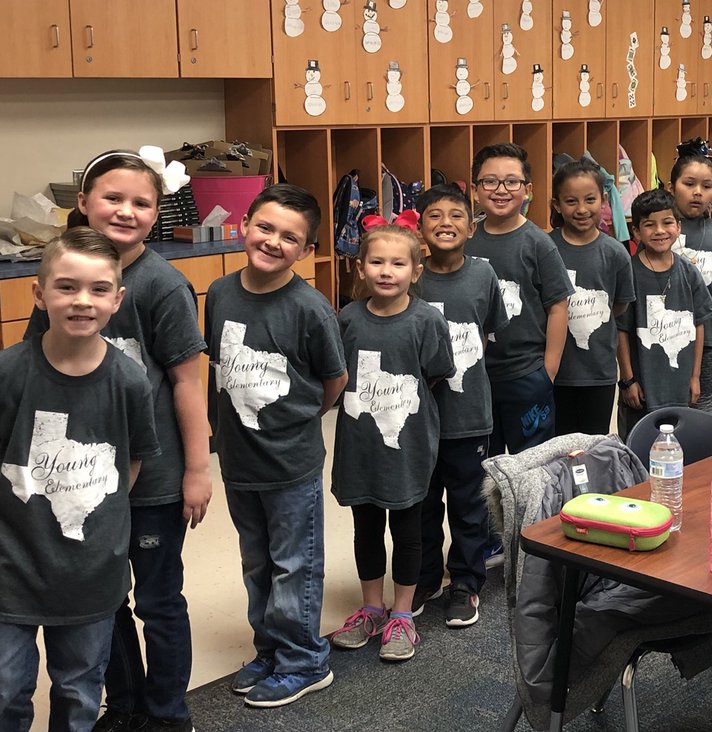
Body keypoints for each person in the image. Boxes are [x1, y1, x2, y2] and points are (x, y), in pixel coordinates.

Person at [24, 149, 208, 732]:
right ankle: (124, 705)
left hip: (152, 478)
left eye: (142, 202)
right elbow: (39, 374)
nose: (126, 211)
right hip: (84, 479)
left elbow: (186, 381)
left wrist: (198, 470)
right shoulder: (62, 280)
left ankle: (167, 712)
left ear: (158, 212)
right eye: (112, 197)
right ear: (82, 203)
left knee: (158, 600)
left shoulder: (161, 285)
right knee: (105, 599)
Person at [0, 228, 159, 732]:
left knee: (79, 693)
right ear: (39, 294)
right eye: (66, 287)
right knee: (0, 692)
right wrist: (23, 506)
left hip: (92, 573)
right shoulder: (4, 373)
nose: (81, 301)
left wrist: (90, 508)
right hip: (12, 571)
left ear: (117, 298)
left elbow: (128, 467)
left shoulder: (130, 381)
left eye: (97, 289)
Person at [206, 184, 347, 707]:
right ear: (244, 224)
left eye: (290, 237)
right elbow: (219, 368)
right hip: (239, 460)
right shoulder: (220, 293)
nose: (273, 241)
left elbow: (334, 379)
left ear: (307, 250)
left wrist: (303, 418)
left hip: (290, 464)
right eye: (265, 227)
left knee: (295, 565)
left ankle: (304, 660)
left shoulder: (310, 309)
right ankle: (269, 649)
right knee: (256, 561)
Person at [328, 224, 455, 663]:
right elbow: (337, 373)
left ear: (415, 271)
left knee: (407, 529)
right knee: (365, 527)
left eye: (398, 263)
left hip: (406, 444)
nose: (387, 271)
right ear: (360, 268)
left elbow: (436, 372)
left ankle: (402, 613)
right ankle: (370, 608)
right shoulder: (345, 318)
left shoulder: (426, 320)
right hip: (359, 445)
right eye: (376, 262)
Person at [413, 185, 508, 628]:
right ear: (419, 226)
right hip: (416, 417)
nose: (445, 223)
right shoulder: (409, 275)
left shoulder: (482, 275)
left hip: (468, 414)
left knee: (469, 504)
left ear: (472, 228)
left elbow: (489, 326)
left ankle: (467, 582)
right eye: (434, 215)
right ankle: (426, 577)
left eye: (456, 215)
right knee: (422, 503)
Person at [465, 143, 573, 455]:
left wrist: (548, 371)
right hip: (478, 377)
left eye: (511, 181)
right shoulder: (467, 241)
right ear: (475, 190)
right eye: (489, 181)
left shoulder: (538, 243)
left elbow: (558, 306)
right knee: (486, 465)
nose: (501, 190)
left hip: (526, 374)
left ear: (527, 190)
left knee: (533, 464)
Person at [616, 189, 712, 438]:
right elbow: (621, 331)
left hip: (680, 387)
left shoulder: (689, 272)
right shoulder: (629, 272)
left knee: (677, 450)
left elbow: (699, 324)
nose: (660, 231)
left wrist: (695, 377)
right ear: (637, 232)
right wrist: (628, 380)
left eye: (667, 222)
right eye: (650, 225)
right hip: (642, 390)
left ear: (678, 227)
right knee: (638, 449)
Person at [549, 159, 635, 435]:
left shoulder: (615, 253)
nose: (582, 209)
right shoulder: (545, 248)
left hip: (599, 370)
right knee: (556, 446)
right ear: (556, 205)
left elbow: (619, 305)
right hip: (554, 371)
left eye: (590, 199)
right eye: (571, 201)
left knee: (593, 444)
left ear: (604, 200)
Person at [667, 140, 712, 415]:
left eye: (706, 186)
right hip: (664, 330)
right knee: (666, 398)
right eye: (689, 184)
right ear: (671, 188)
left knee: (702, 399)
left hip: (706, 334)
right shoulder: (660, 228)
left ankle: (703, 454)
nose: (697, 192)